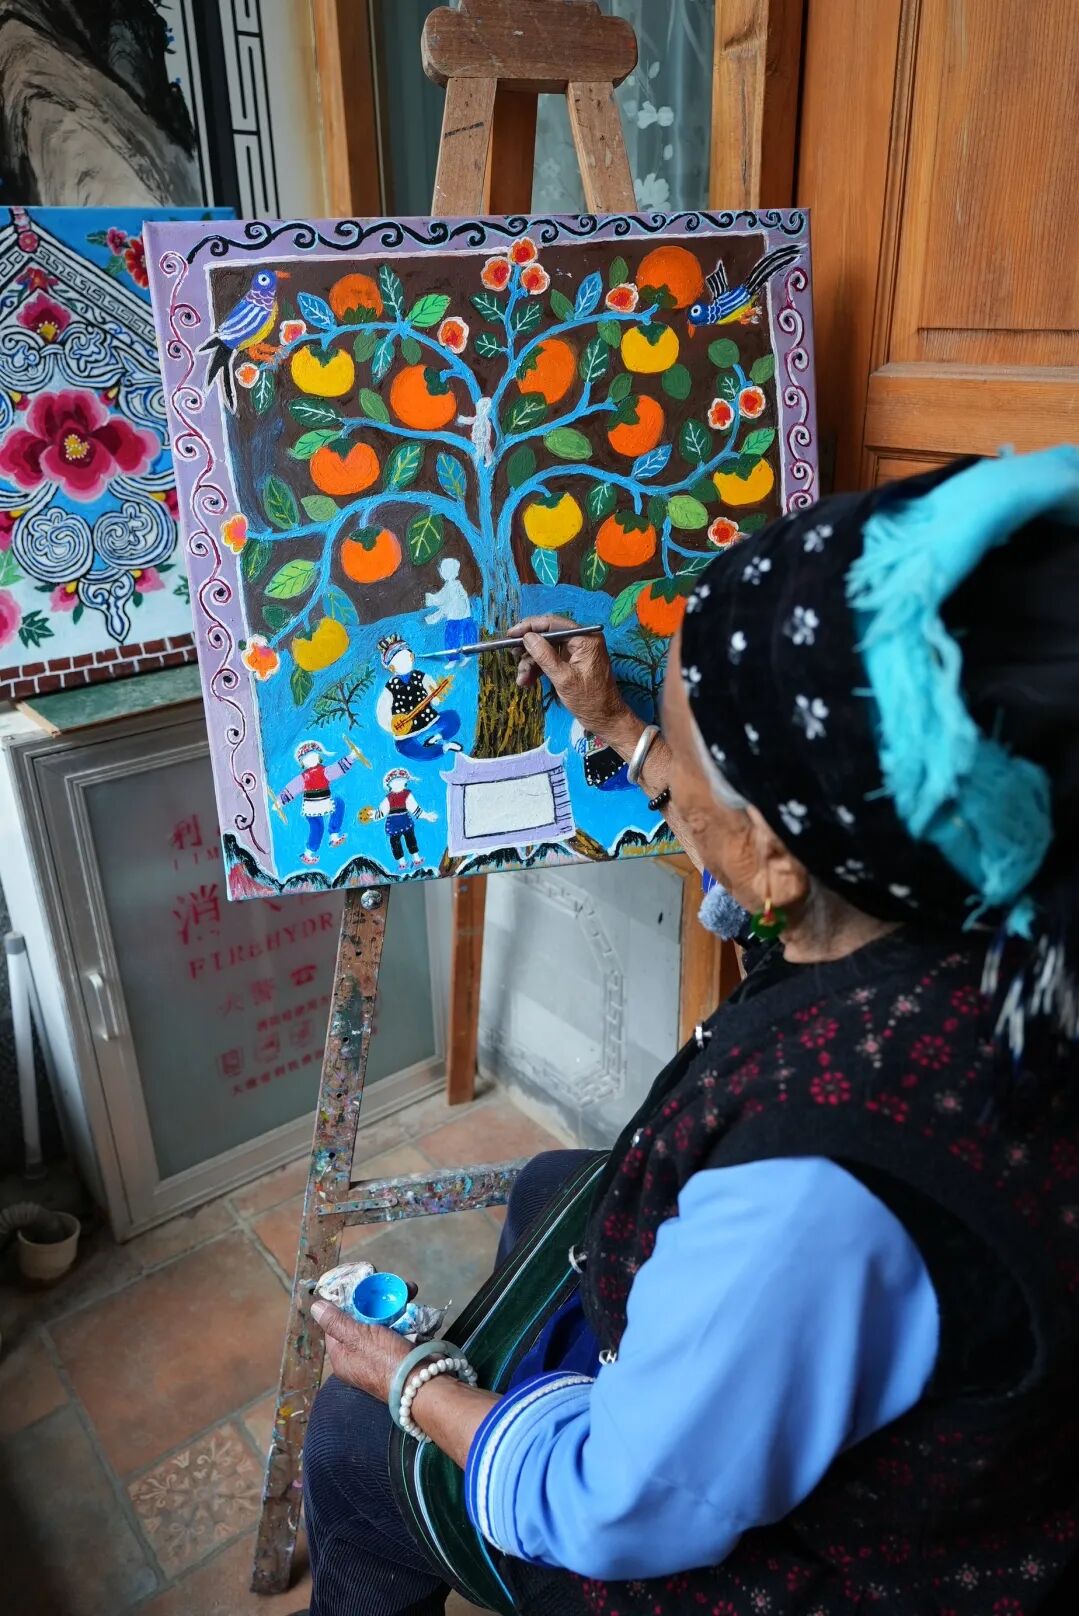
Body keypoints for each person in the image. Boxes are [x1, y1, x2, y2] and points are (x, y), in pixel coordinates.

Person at [302, 449, 1079, 1616]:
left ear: (778, 851)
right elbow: (763, 855)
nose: (667, 774)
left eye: (684, 748)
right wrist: (616, 724)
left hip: (825, 1566)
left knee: (350, 1444)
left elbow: (613, 1501)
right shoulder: (980, 880)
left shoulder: (816, 1187)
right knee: (553, 1185)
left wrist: (410, 1381)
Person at [375, 631, 463, 760]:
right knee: (405, 748)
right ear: (391, 668)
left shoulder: (420, 677)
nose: (407, 661)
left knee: (452, 718)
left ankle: (437, 737)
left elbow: (433, 692)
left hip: (428, 719)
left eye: (407, 657)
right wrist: (392, 726)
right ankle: (444, 748)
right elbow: (382, 711)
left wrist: (436, 698)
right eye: (399, 661)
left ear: (412, 657)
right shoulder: (390, 688)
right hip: (407, 732)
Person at [277, 739, 354, 866]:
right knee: (317, 828)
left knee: (338, 803)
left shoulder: (325, 771)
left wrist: (351, 757)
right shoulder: (303, 777)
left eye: (313, 756)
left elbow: (338, 768)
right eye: (307, 758)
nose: (311, 759)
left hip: (325, 801)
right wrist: (280, 801)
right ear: (302, 763)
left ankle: (334, 836)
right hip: (311, 806)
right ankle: (308, 854)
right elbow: (292, 789)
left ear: (319, 757)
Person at [361, 766, 438, 871]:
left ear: (405, 783)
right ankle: (402, 863)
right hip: (394, 826)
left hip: (406, 823)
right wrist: (374, 815)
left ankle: (416, 858)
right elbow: (382, 812)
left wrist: (426, 816)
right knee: (396, 845)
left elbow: (415, 809)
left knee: (411, 841)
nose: (399, 784)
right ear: (389, 785)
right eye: (396, 782)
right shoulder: (388, 798)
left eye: (402, 782)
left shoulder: (407, 795)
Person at [424, 556, 478, 661]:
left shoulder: (452, 586)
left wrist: (431, 599)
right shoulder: (454, 585)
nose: (442, 572)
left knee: (455, 637)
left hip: (458, 616)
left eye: (444, 570)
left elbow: (441, 598)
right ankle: (457, 657)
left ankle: (461, 657)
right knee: (459, 636)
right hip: (461, 615)